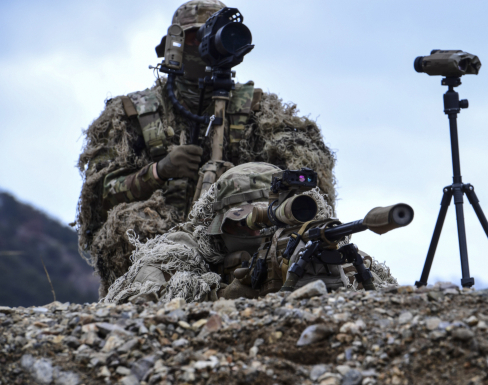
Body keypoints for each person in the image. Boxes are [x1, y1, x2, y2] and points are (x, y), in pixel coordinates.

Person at [74, 0, 337, 299]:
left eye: (217, 36)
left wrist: (256, 180)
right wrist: (159, 172)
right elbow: (97, 194)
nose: (205, 47)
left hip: (238, 227)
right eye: (195, 37)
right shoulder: (133, 114)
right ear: (175, 45)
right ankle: (143, 300)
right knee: (129, 225)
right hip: (160, 231)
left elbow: (307, 164)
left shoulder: (255, 110)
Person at [103, 162, 397, 304]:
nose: (262, 233)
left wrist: (339, 281)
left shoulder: (316, 242)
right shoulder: (181, 250)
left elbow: (383, 300)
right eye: (247, 222)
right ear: (216, 222)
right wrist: (219, 297)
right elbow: (135, 306)